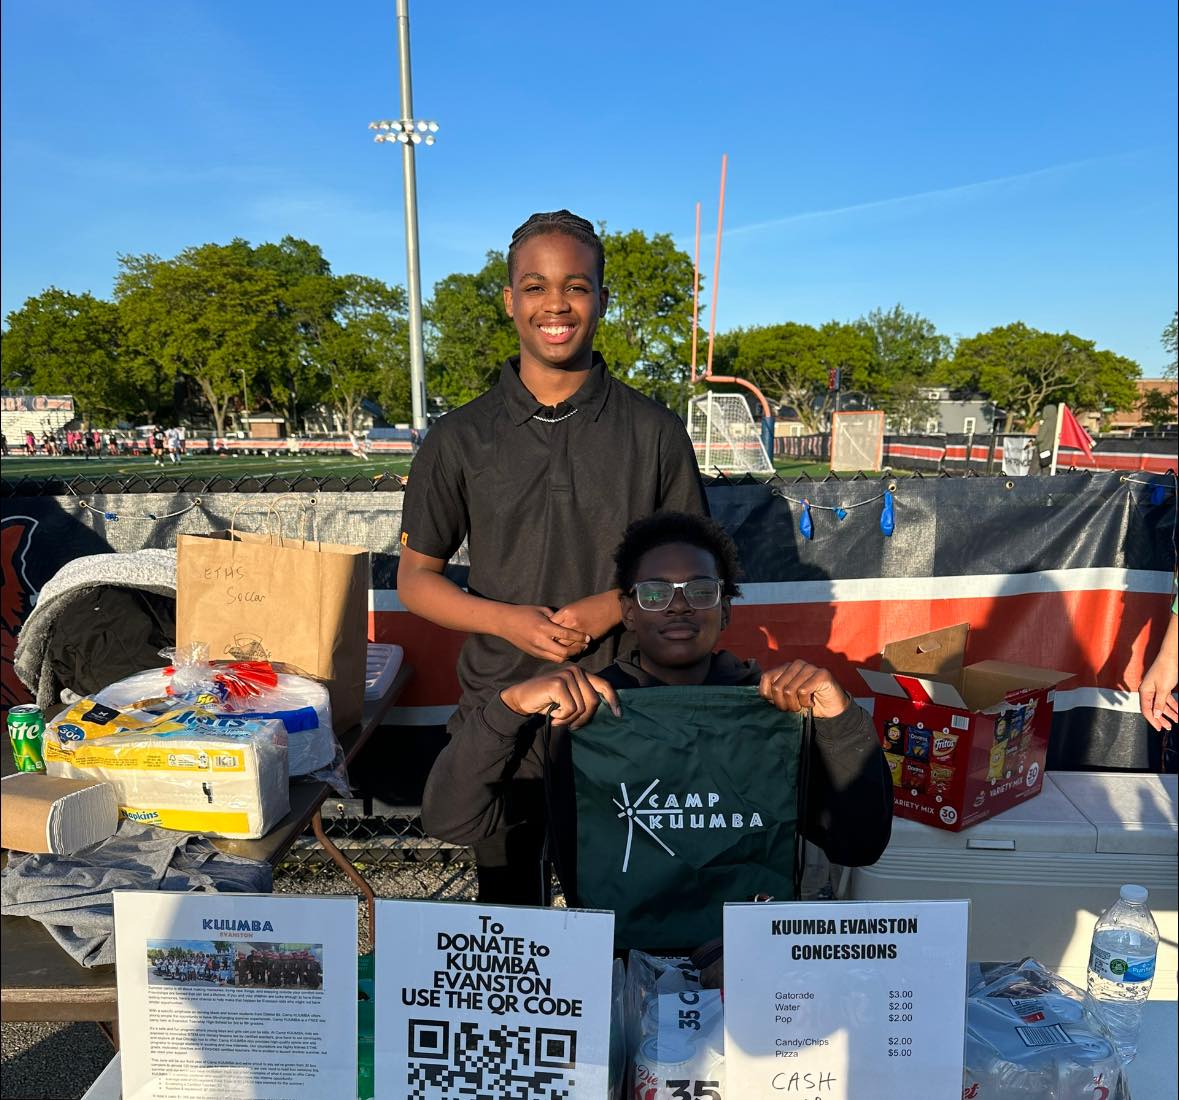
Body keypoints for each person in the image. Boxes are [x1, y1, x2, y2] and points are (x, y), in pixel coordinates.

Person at [400, 211, 707, 903]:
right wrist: (508, 622)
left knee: (629, 920)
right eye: (534, 286)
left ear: (600, 298)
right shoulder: (459, 437)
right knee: (513, 919)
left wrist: (612, 605)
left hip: (629, 712)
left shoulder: (653, 432)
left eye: (576, 285)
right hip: (501, 715)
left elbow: (695, 575)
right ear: (510, 300)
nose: (555, 304)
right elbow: (417, 581)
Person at [421, 511, 893, 906]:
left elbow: (859, 843)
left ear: (726, 608)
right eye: (654, 594)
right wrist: (507, 706)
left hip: (749, 962)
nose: (678, 606)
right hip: (618, 959)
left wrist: (839, 719)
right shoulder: (582, 712)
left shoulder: (773, 709)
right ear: (628, 612)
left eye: (701, 591)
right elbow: (451, 820)